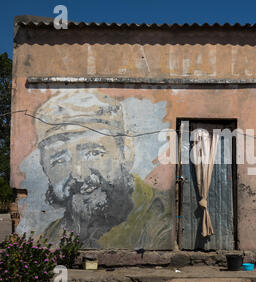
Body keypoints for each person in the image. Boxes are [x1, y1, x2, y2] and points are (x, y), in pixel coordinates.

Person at [34, 91, 171, 249]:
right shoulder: (50, 236)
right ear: (44, 167)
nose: (79, 174)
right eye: (59, 160)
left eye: (93, 153)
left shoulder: (159, 220)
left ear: (126, 152)